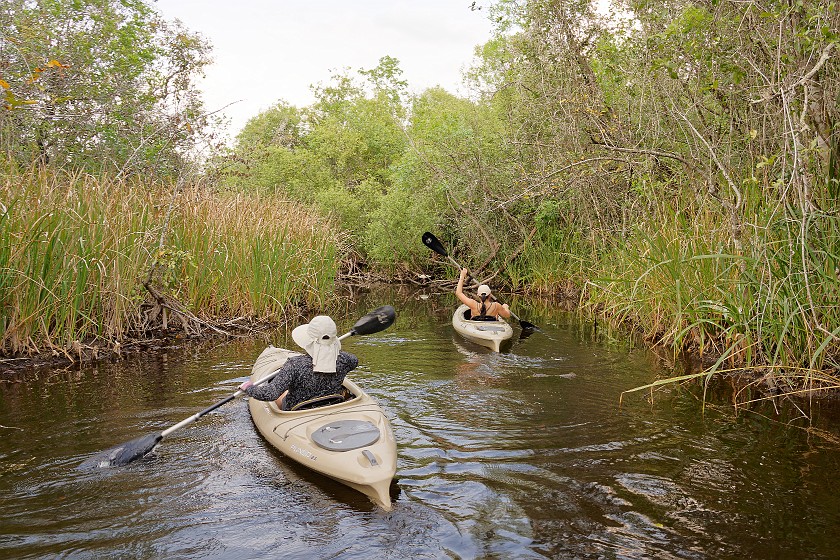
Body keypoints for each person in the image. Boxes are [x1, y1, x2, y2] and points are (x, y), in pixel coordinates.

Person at [238, 315, 358, 410]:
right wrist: (332, 351)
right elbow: (354, 361)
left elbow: (271, 394)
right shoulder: (345, 360)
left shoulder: (294, 365)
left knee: (282, 393)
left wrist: (249, 388)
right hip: (332, 403)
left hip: (298, 410)